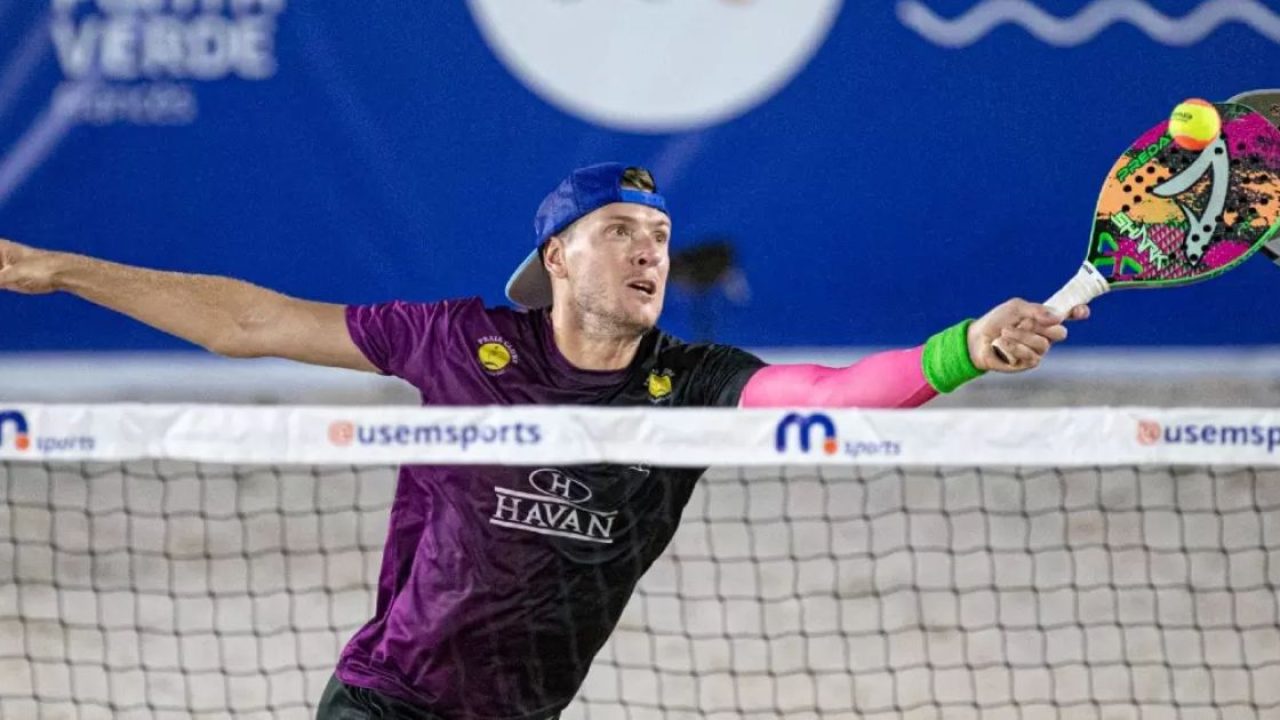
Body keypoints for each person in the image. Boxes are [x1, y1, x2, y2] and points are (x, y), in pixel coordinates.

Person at [0, 162, 1088, 719]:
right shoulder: (458, 339)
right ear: (556, 258)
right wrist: (61, 271)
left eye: (659, 236)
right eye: (618, 232)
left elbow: (841, 395)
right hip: (391, 700)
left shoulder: (695, 382)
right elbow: (250, 323)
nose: (647, 252)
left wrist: (963, 348)